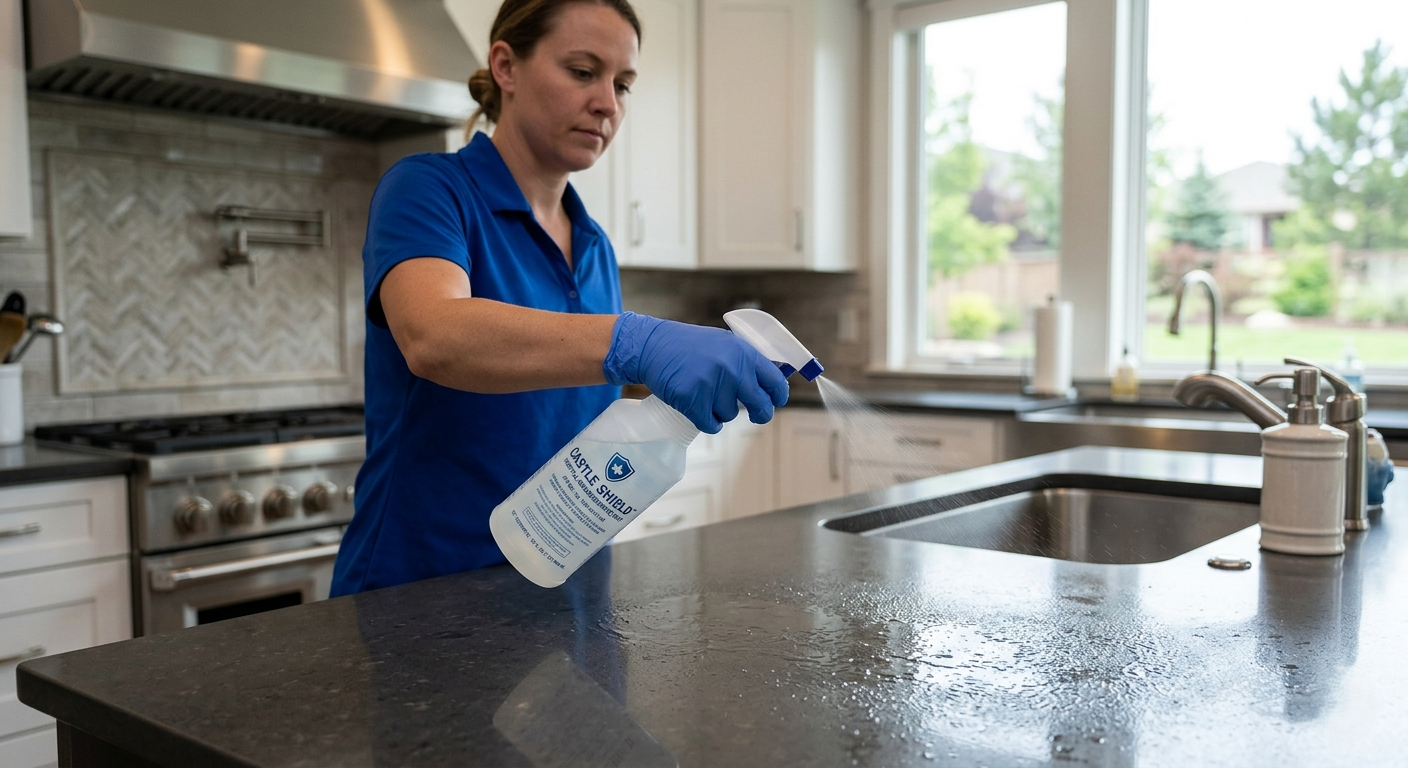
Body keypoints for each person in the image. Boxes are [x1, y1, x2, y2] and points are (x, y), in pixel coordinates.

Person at [330, 0, 788, 596]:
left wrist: (677, 401)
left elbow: (579, 412)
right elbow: (433, 335)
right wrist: (638, 341)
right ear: (506, 67)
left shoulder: (594, 243)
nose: (607, 102)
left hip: (567, 588)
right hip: (423, 589)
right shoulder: (429, 190)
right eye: (582, 71)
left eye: (623, 84)